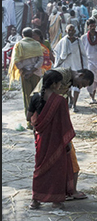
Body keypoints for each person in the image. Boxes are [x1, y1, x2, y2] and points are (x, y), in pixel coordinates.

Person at [26, 70, 76, 210]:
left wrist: (38, 123)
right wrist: (67, 142)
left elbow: (29, 116)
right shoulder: (60, 101)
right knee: (57, 170)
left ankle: (35, 200)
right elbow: (65, 123)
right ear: (54, 84)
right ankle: (56, 201)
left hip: (41, 140)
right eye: (59, 83)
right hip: (56, 141)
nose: (60, 85)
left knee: (39, 168)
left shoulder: (35, 97)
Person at [8, 27, 44, 124]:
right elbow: (41, 59)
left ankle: (29, 122)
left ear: (22, 35)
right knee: (37, 96)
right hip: (36, 73)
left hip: (24, 74)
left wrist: (25, 70)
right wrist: (32, 70)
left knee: (27, 97)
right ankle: (37, 120)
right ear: (31, 35)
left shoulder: (19, 44)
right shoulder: (36, 44)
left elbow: (16, 60)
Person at [53, 25, 88, 111]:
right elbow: (56, 52)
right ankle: (71, 101)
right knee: (67, 86)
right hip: (66, 67)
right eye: (69, 30)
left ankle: (74, 104)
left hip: (77, 67)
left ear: (75, 31)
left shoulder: (79, 42)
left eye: (72, 30)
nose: (71, 32)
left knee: (76, 86)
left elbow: (84, 55)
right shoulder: (62, 42)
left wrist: (85, 68)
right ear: (66, 31)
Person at [81, 18, 97, 103]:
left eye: (94, 26)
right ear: (88, 27)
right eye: (91, 26)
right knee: (90, 79)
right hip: (89, 61)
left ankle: (93, 96)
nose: (93, 27)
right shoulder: (84, 38)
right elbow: (82, 50)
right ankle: (91, 96)